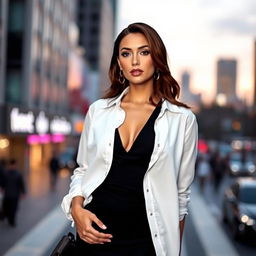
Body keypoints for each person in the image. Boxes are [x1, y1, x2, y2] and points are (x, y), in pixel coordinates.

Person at [62, 22, 198, 256]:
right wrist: (76, 208)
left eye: (143, 52)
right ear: (119, 63)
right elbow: (83, 170)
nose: (135, 61)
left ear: (156, 59)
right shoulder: (98, 111)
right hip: (93, 235)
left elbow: (180, 198)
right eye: (126, 53)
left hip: (145, 242)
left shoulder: (182, 120)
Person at [1, 159, 26, 227]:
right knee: (7, 208)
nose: (12, 166)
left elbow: (21, 184)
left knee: (13, 209)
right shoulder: (6, 173)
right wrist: (2, 188)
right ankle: (9, 219)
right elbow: (3, 183)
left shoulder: (18, 174)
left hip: (14, 195)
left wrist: (23, 192)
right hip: (8, 195)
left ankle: (11, 221)